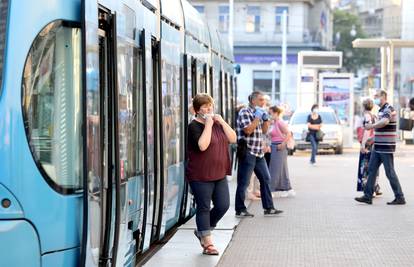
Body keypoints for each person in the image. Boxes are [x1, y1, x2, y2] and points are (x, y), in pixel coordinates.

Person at [186, 93, 237, 255]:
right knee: (204, 207)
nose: (209, 109)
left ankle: (203, 230)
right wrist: (208, 124)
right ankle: (208, 243)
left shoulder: (217, 123)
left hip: (219, 173)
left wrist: (221, 122)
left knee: (223, 205)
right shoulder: (193, 126)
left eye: (210, 105)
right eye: (204, 106)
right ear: (197, 110)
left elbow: (233, 138)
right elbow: (203, 145)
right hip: (200, 175)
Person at [235, 91, 283, 217]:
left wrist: (266, 120)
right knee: (244, 181)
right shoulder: (245, 112)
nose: (264, 103)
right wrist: (257, 117)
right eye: (261, 100)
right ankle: (240, 209)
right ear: (253, 100)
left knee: (266, 178)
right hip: (248, 151)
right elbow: (248, 130)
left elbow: (263, 131)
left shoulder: (260, 112)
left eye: (264, 100)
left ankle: (269, 207)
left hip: (258, 152)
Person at [355, 89, 405, 205]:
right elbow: (381, 128)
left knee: (390, 172)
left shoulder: (389, 109)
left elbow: (384, 122)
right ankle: (368, 196)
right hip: (378, 146)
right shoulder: (381, 110)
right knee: (371, 170)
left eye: (377, 96)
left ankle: (400, 197)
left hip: (386, 147)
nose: (375, 98)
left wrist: (371, 126)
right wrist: (372, 139)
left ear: (383, 96)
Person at [268, 106, 295, 197]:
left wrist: (283, 144)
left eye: (270, 113)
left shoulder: (280, 122)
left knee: (274, 169)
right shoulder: (274, 123)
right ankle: (287, 188)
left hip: (279, 147)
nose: (269, 115)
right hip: (275, 146)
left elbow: (289, 134)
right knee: (281, 169)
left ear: (276, 113)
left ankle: (272, 190)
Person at [356, 99, 381, 195]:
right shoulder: (374, 116)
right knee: (373, 167)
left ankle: (368, 190)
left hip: (368, 144)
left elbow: (367, 131)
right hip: (374, 143)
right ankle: (375, 187)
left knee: (366, 167)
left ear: (363, 106)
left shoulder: (366, 116)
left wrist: (363, 145)